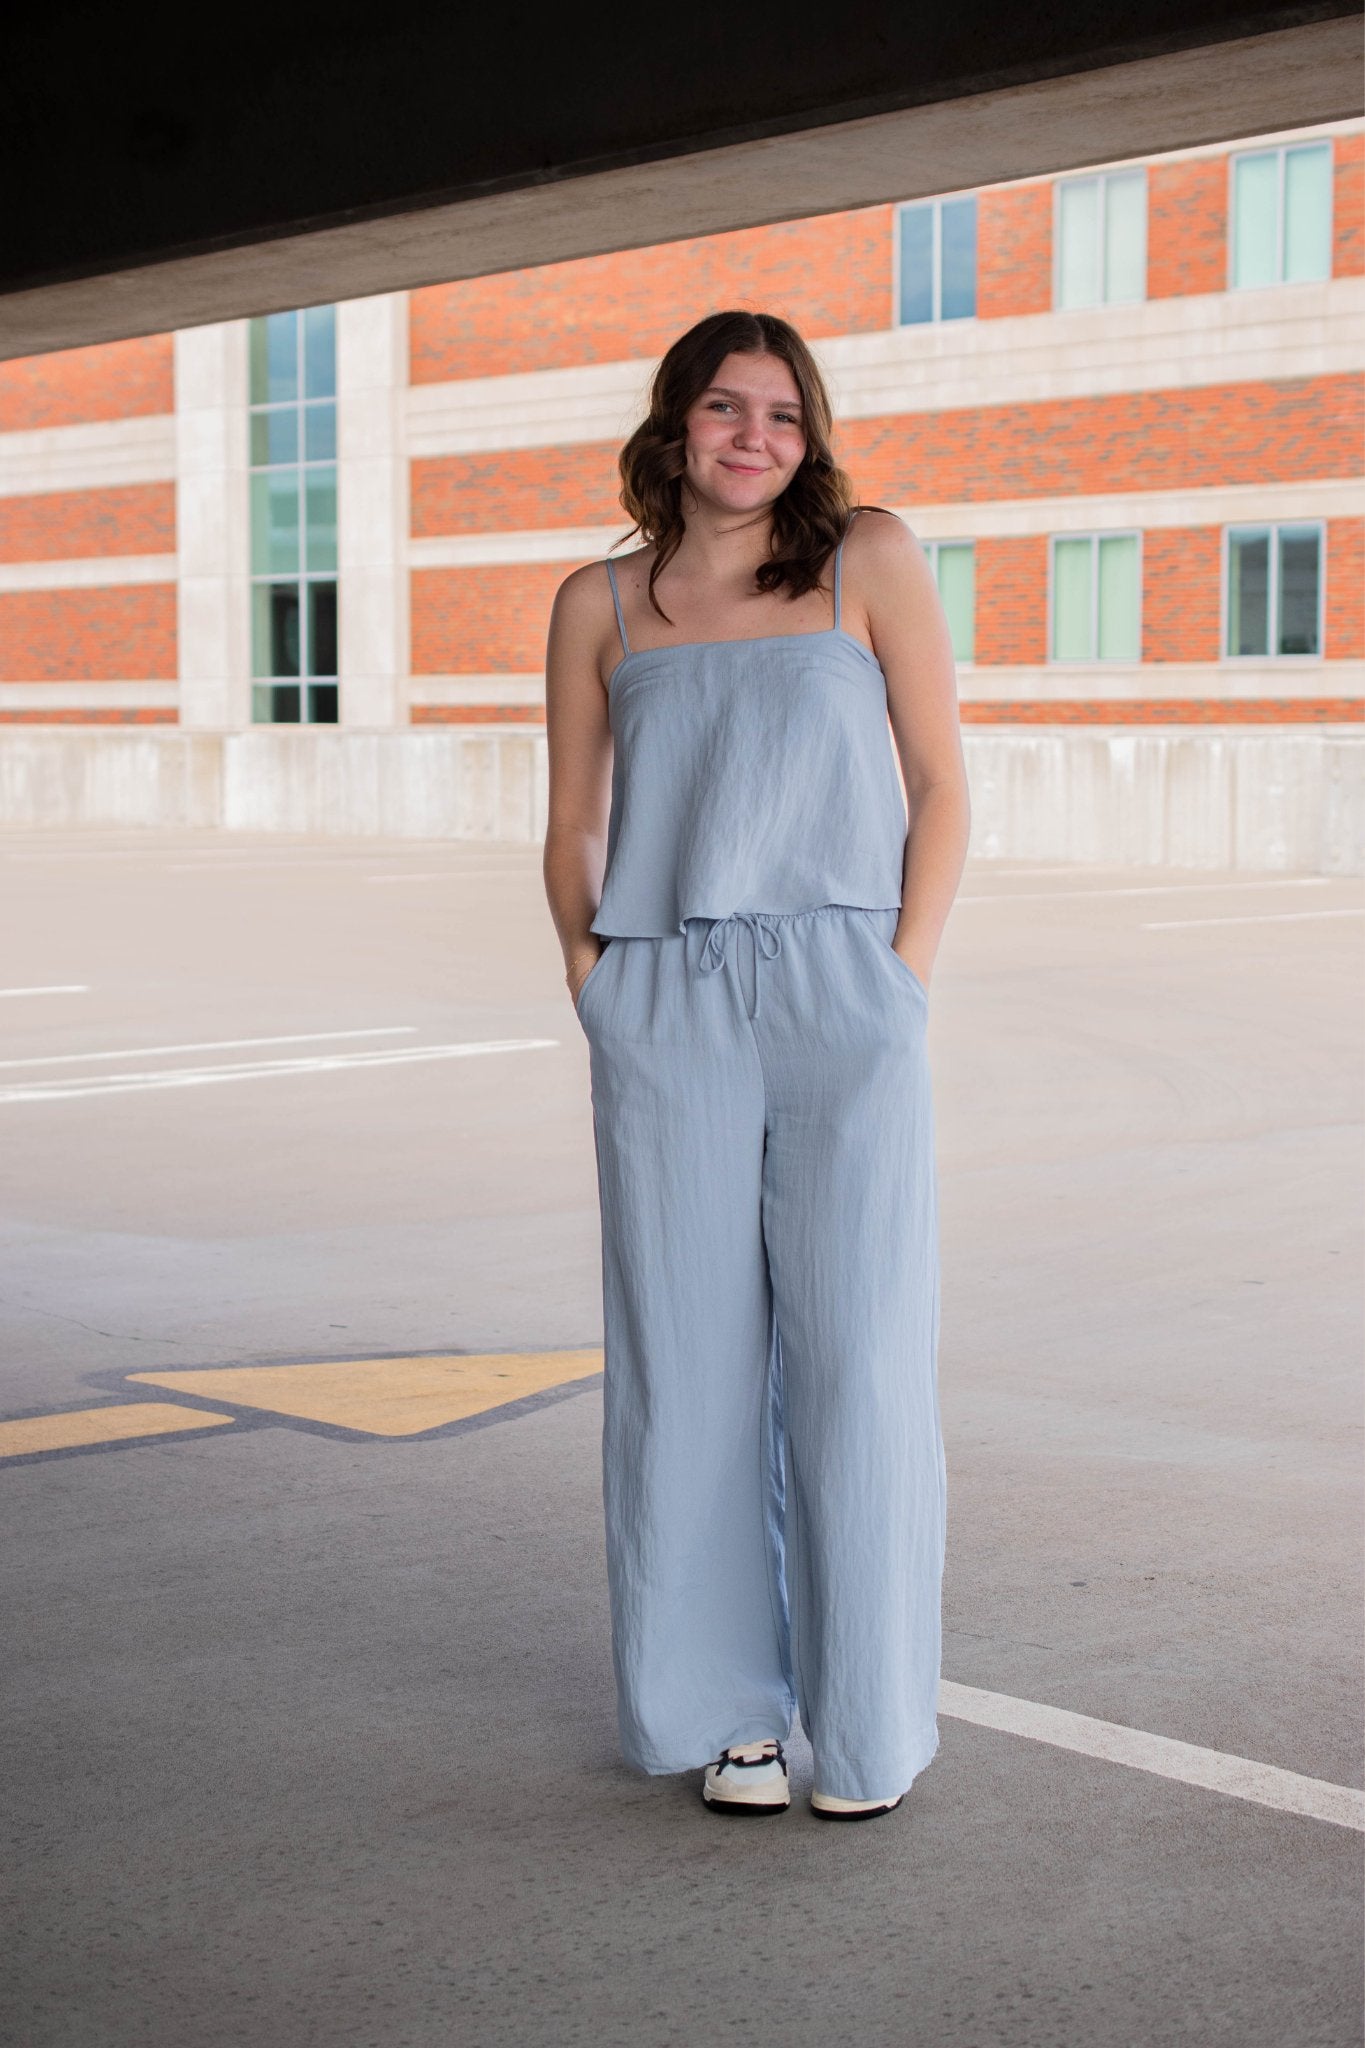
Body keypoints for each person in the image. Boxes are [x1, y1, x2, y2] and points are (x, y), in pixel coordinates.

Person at [543, 308, 971, 1821]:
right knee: (685, 1366)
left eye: (784, 415)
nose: (755, 438)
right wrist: (596, 983)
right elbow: (573, 819)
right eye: (727, 408)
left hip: (843, 991)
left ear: (810, 436)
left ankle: (865, 1731)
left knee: (861, 1359)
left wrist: (899, 977)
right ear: (675, 424)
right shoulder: (601, 600)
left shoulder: (868, 558)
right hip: (665, 997)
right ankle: (728, 1715)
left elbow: (940, 785)